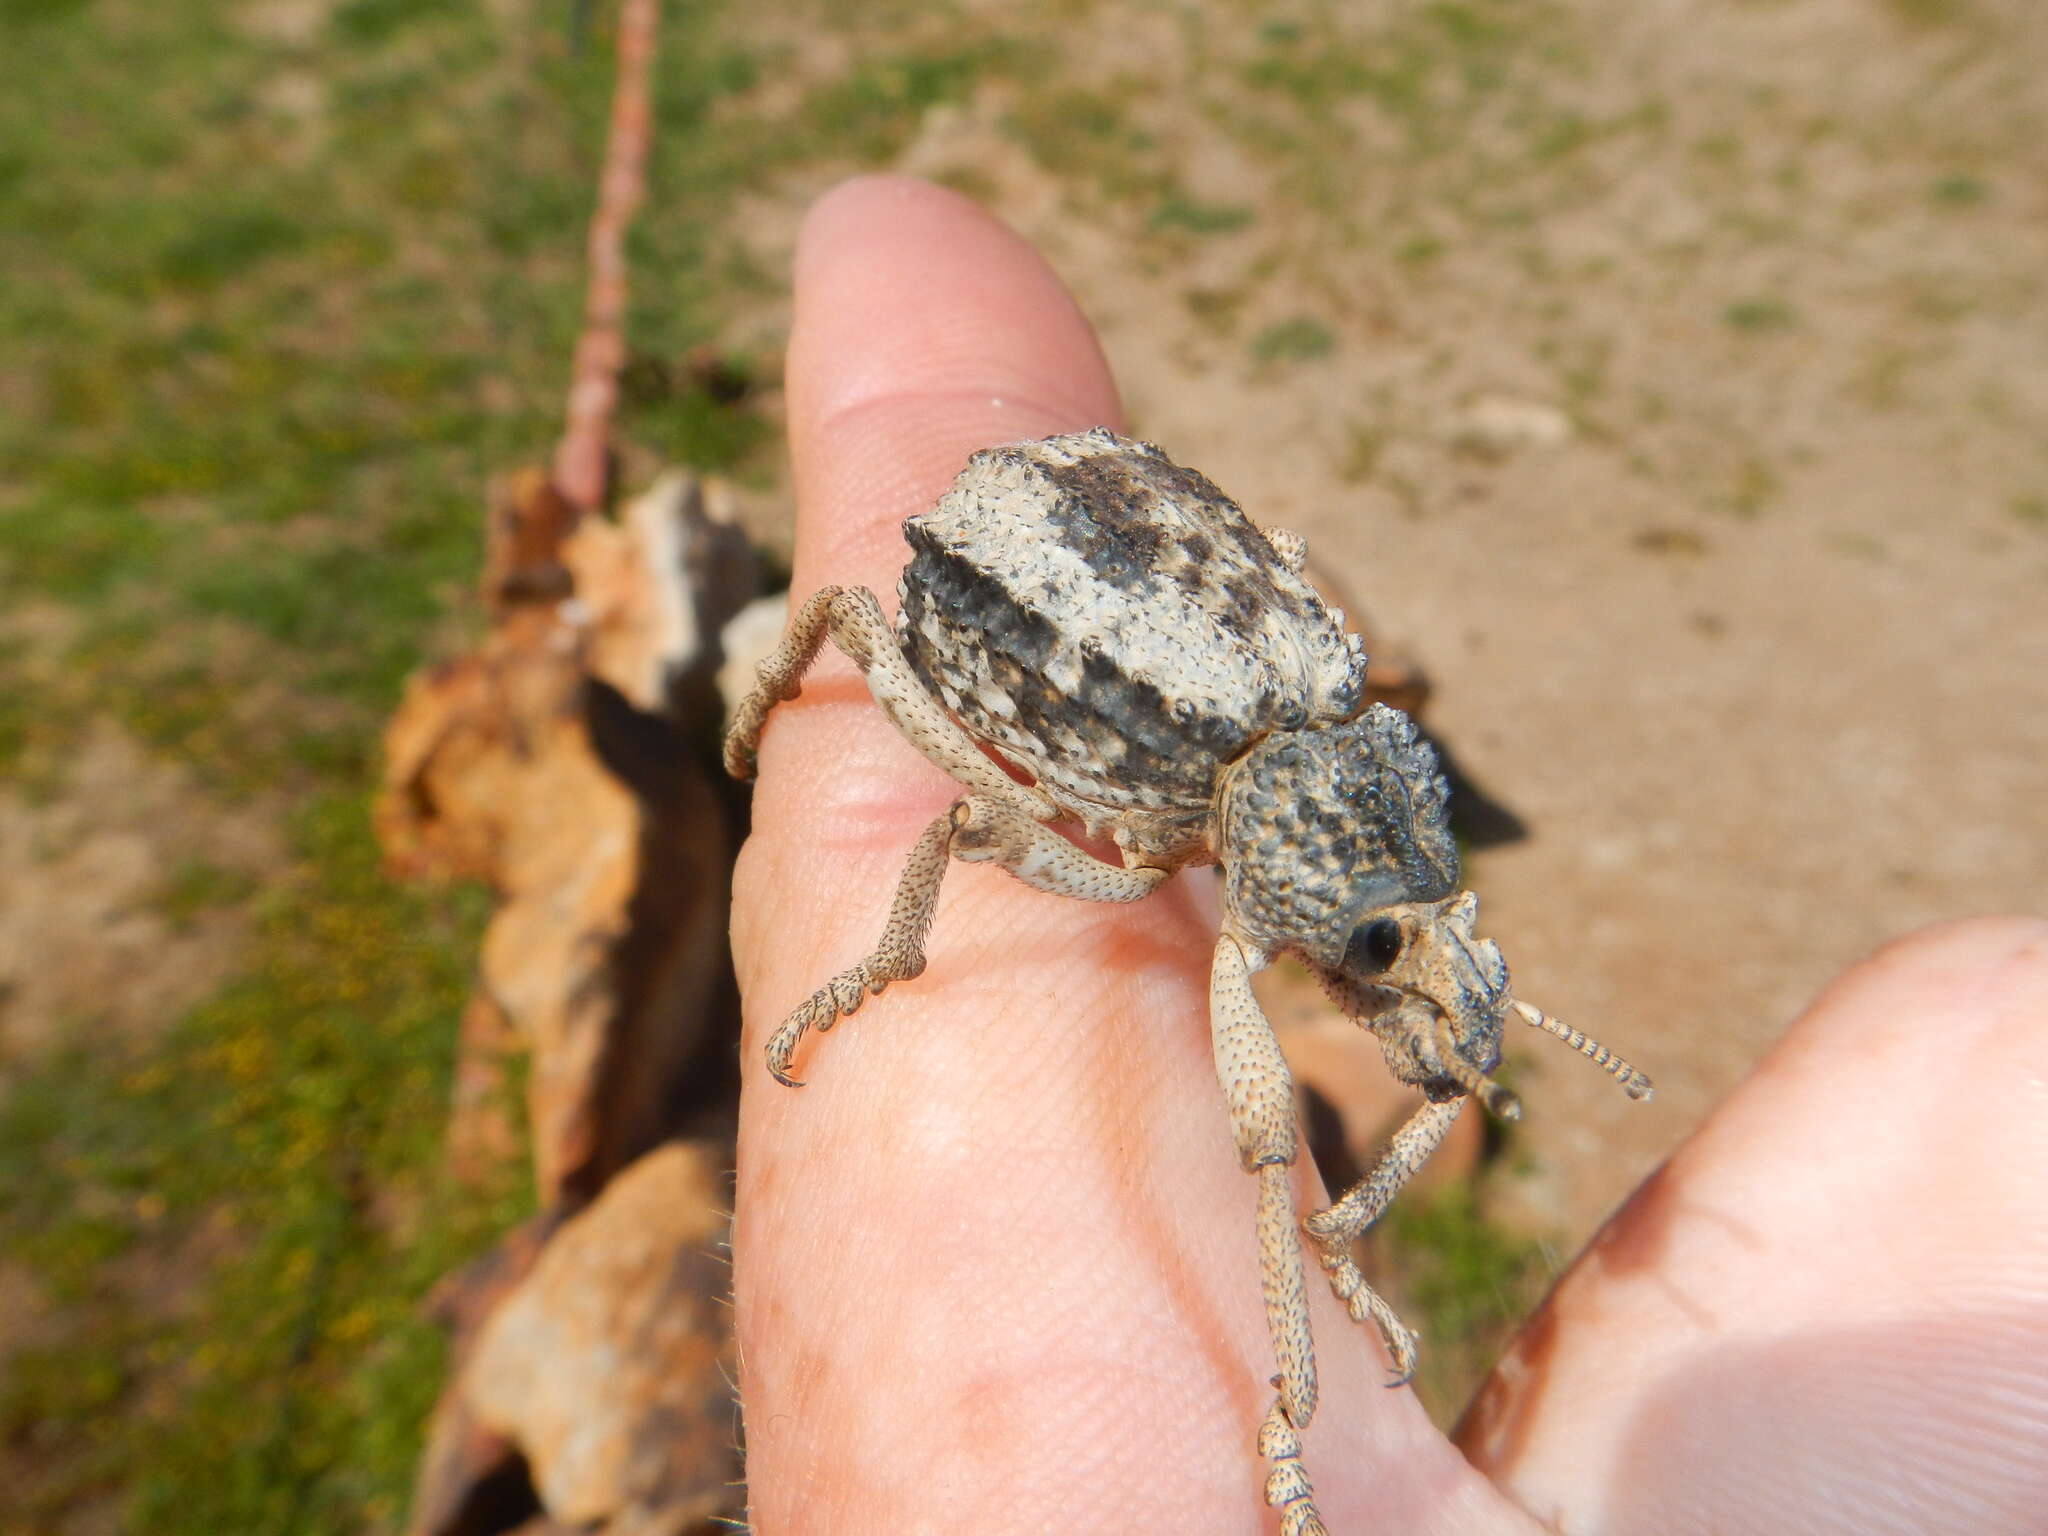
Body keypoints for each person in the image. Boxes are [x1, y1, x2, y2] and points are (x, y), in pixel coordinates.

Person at [729, 174, 2048, 1533]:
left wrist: (1353, 1208)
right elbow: (952, 794)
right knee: (909, 719)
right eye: (1387, 944)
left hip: (1124, 544)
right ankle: (1285, 1430)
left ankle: (1330, 1279)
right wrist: (871, 943)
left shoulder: (1338, 731)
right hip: (993, 588)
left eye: (1417, 926)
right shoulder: (1167, 825)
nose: (1417, 971)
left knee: (1316, 1124)